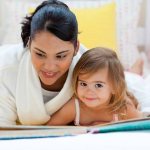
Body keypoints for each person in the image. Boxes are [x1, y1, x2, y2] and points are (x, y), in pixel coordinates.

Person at [0, 0, 86, 125]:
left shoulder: (93, 67)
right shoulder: (6, 71)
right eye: (40, 54)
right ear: (29, 44)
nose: (49, 67)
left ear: (76, 48)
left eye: (61, 56)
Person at [46, 47, 143, 126]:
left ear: (114, 88)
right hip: (116, 83)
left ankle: (137, 66)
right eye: (83, 84)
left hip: (125, 87)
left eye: (98, 85)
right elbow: (50, 128)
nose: (89, 91)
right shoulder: (74, 107)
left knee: (134, 79)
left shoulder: (123, 108)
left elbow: (142, 123)